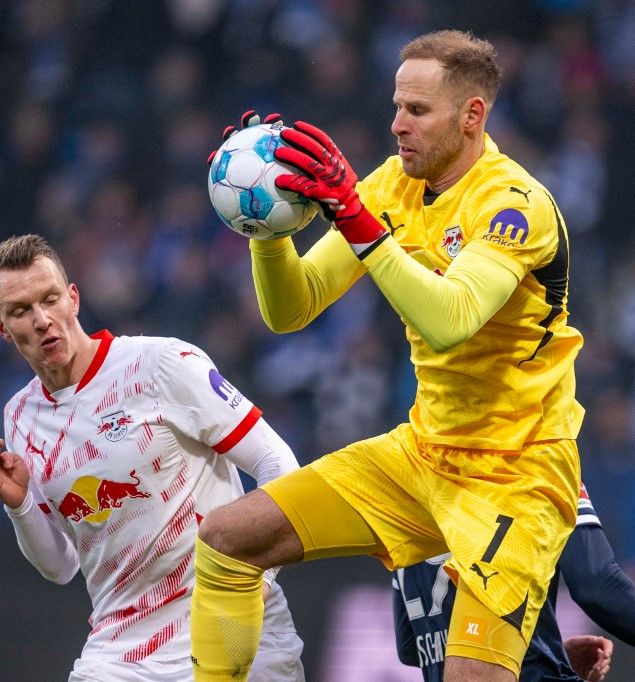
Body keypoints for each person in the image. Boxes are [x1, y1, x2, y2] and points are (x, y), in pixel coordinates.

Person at [192, 30, 586, 680]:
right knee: (228, 540)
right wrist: (269, 228)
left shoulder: (514, 206)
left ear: (471, 116)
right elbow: (292, 310)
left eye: (418, 111)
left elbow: (451, 320)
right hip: (423, 455)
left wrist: (354, 218)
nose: (397, 124)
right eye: (397, 106)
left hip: (514, 479)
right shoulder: (393, 186)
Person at [0, 234, 304, 681]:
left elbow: (278, 462)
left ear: (73, 299)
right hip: (121, 653)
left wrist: (259, 581)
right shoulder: (21, 417)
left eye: (50, 299)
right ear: (1, 327)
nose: (41, 320)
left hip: (232, 621)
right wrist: (19, 506)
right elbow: (60, 566)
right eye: (20, 310)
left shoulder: (161, 364)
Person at [393, 483, 635, 681]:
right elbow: (597, 585)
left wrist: (540, 647)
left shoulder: (407, 481)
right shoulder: (539, 461)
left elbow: (412, 647)